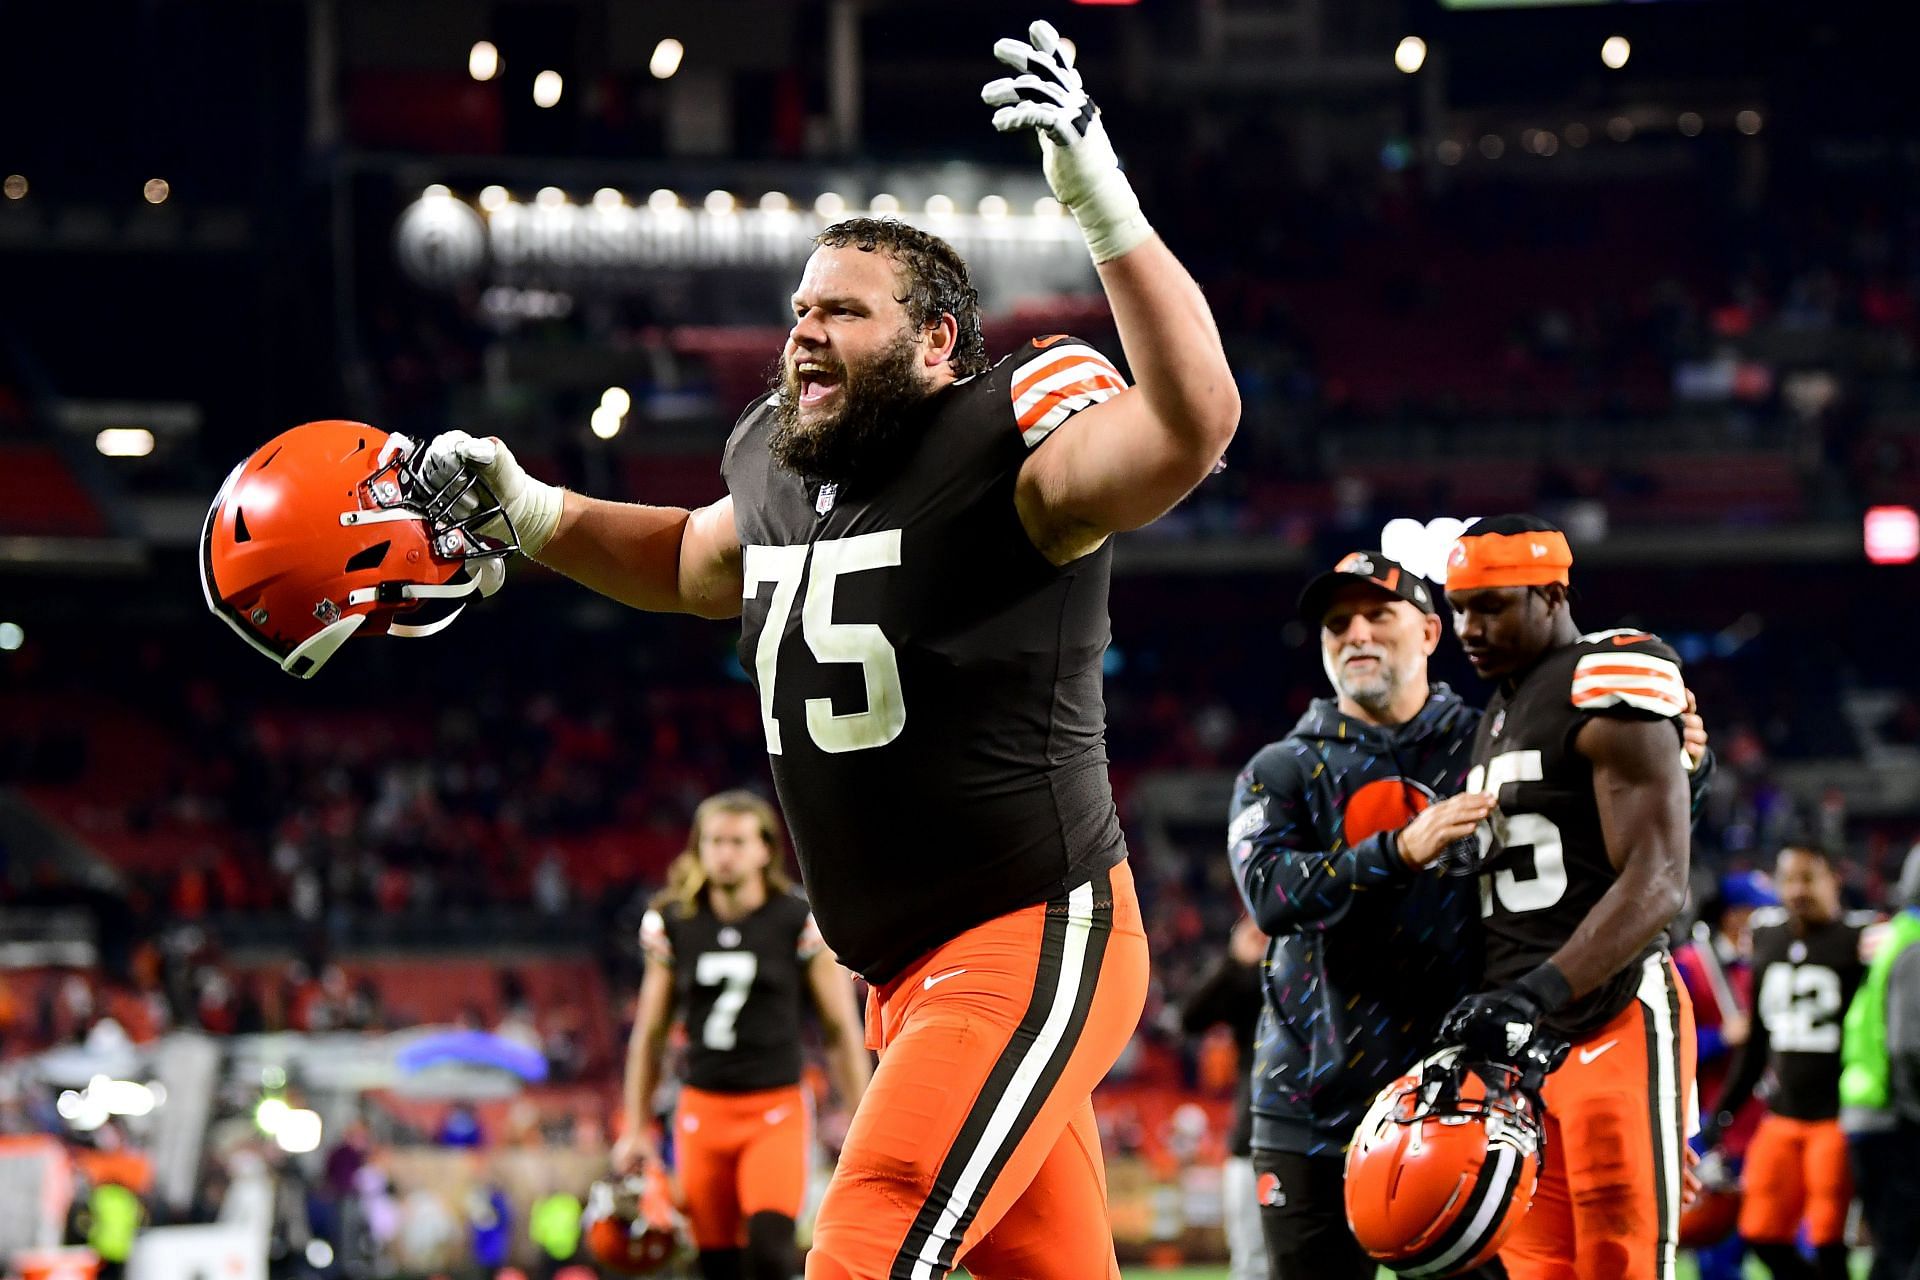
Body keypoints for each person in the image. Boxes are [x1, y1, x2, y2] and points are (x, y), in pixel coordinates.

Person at [418, 19, 1238, 1277]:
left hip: (1028, 929)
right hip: (899, 969)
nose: (803, 332)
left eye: (842, 314)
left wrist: (1102, 200)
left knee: (867, 1228)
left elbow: (1191, 426)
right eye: (800, 308)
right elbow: (693, 567)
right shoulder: (775, 461)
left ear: (937, 344)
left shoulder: (1006, 436)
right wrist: (535, 515)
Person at [1228, 548, 1711, 1280]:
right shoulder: (1280, 769)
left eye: (1376, 615)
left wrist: (1685, 774)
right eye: (1336, 624)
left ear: (1428, 632)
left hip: (1466, 1101)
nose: (1355, 633)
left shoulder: (1491, 737)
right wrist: (1398, 850)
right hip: (1311, 1108)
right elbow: (1269, 895)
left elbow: (1603, 857)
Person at [1440, 514, 1697, 1280]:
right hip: (1525, 1043)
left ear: (1553, 595)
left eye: (1491, 605)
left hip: (1607, 1010)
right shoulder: (1497, 710)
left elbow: (1659, 878)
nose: (1468, 627)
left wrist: (1534, 991)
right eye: (1458, 608)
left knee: (1620, 1255)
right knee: (1537, 1267)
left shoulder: (1610, 672)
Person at [613, 790, 870, 1280]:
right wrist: (634, 1127)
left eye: (736, 841)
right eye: (713, 841)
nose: (724, 853)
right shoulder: (674, 920)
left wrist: (861, 1113)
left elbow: (839, 1027)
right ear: (697, 849)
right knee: (714, 1264)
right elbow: (650, 1034)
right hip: (701, 1111)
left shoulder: (796, 918)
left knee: (771, 1253)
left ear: (764, 851)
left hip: (774, 1109)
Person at [1704, 846, 1870, 1280]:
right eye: (1788, 879)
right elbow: (1757, 1040)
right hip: (1781, 1113)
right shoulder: (1771, 937)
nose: (1796, 890)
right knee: (1761, 1232)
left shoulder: (1858, 941)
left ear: (1834, 878)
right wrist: (1726, 1108)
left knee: (1827, 1237)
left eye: (1807, 878)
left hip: (1836, 1114)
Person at [1674, 872, 1776, 1280]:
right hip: (1712, 1119)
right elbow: (1672, 1040)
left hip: (1761, 1119)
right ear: (1734, 915)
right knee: (1715, 1242)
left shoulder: (1761, 963)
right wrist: (1721, 1037)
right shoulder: (1691, 963)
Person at [1175, 916, 1271, 1280]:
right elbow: (1190, 1017)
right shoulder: (1253, 985)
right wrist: (1235, 961)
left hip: (1316, 1139)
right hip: (1252, 1138)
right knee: (1252, 1264)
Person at [1842, 846, 1920, 1280]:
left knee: (1895, 1249)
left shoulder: (1900, 935)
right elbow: (1910, 1046)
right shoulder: (1916, 946)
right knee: (1900, 1254)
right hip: (1894, 1116)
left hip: (1873, 1109)